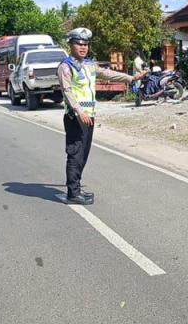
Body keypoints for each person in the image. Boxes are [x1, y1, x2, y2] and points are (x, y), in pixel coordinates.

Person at [57, 28, 146, 205]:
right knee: (75, 153)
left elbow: (108, 74)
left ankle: (77, 187)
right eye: (78, 44)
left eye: (85, 45)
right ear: (71, 45)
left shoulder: (89, 65)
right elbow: (67, 91)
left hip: (89, 115)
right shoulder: (65, 67)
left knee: (84, 153)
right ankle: (72, 192)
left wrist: (132, 78)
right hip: (76, 117)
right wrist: (78, 111)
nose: (82, 47)